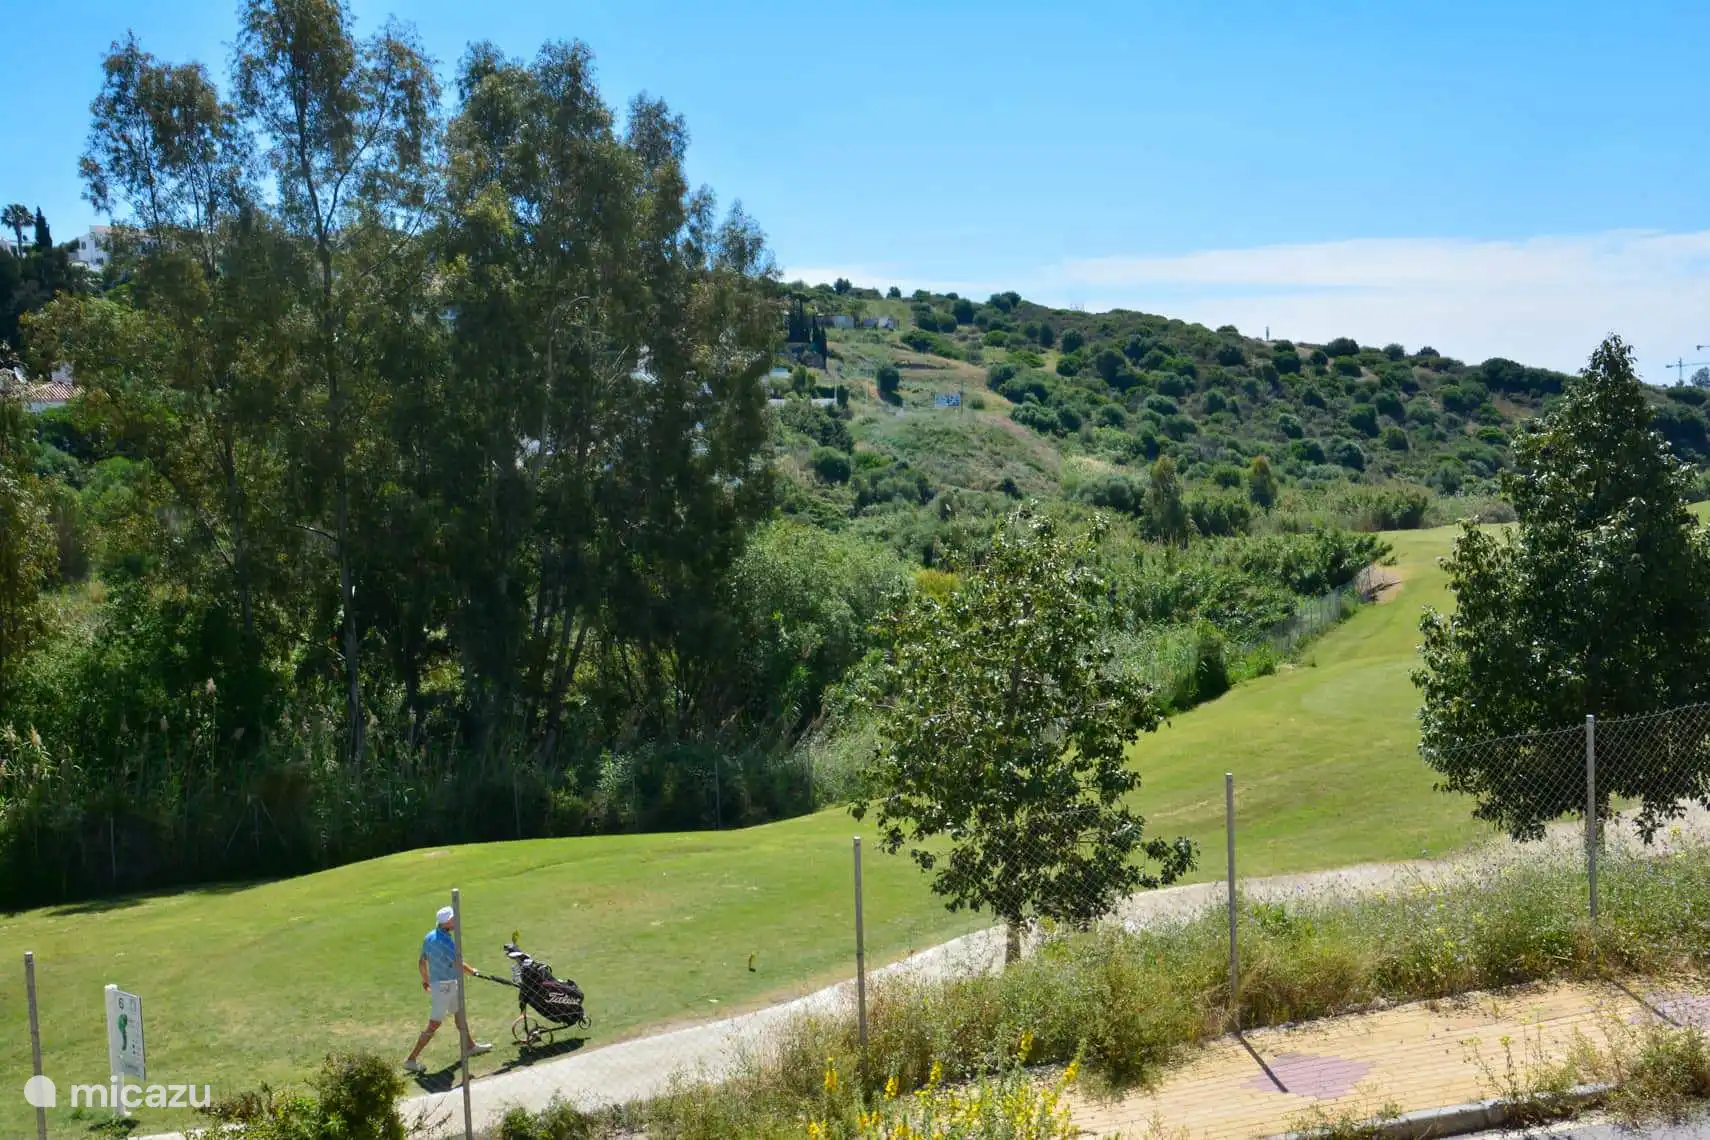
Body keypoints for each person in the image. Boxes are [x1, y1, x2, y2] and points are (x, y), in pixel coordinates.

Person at [404, 906, 491, 1073]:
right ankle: (411, 1059)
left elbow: (422, 961)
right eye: (453, 919)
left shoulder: (429, 936)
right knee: (434, 1024)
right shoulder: (444, 941)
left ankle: (470, 1046)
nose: (456, 921)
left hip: (444, 984)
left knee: (459, 1014)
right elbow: (457, 962)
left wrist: (425, 980)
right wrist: (474, 971)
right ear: (447, 923)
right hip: (445, 987)